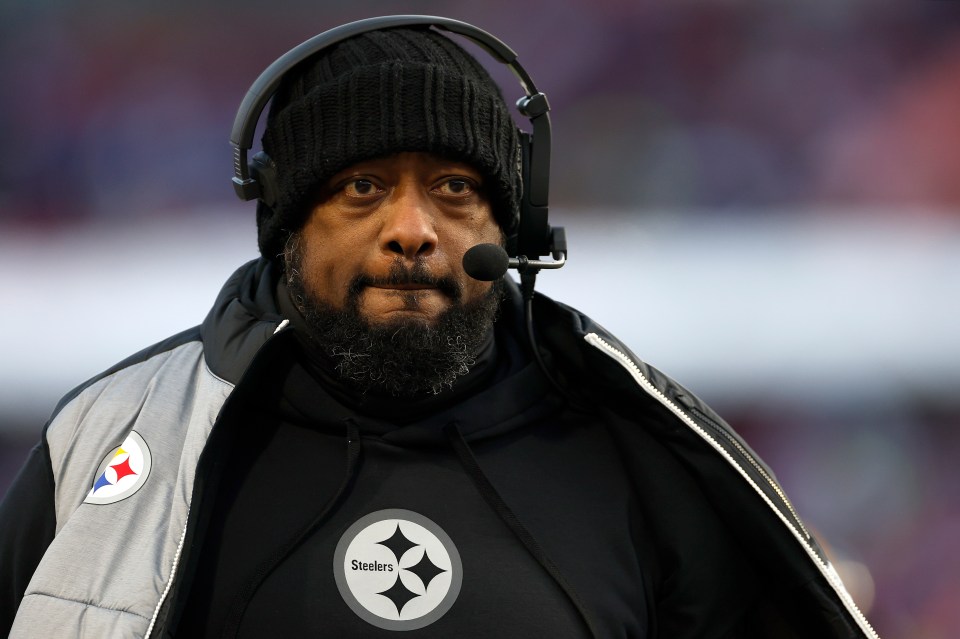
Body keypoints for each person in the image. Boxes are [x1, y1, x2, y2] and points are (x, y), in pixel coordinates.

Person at [0, 16, 877, 639]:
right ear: (286, 226)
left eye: (455, 188)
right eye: (363, 188)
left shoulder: (647, 452)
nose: (413, 227)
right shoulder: (108, 437)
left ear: (513, 230)